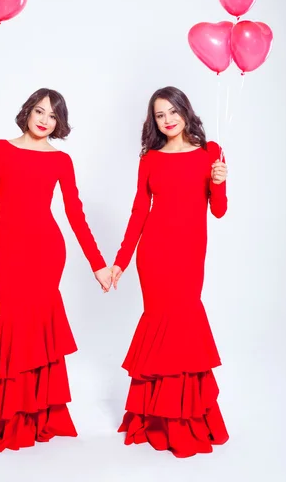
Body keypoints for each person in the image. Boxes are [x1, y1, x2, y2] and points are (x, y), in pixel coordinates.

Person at [0, 88, 112, 452]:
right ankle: (10, 417)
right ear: (27, 112)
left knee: (37, 327)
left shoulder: (60, 161)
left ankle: (38, 416)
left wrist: (98, 265)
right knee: (14, 323)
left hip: (47, 252)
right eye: (40, 111)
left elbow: (75, 216)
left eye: (53, 115)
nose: (45, 120)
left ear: (59, 123)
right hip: (10, 253)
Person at [111, 86, 229, 458]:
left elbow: (219, 210)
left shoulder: (211, 154)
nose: (168, 119)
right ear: (154, 121)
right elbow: (137, 214)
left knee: (184, 327)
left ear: (185, 111)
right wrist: (120, 261)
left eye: (172, 111)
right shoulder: (150, 159)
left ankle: (188, 418)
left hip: (189, 256)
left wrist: (220, 182)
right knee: (160, 327)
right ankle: (155, 419)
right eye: (160, 115)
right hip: (154, 256)